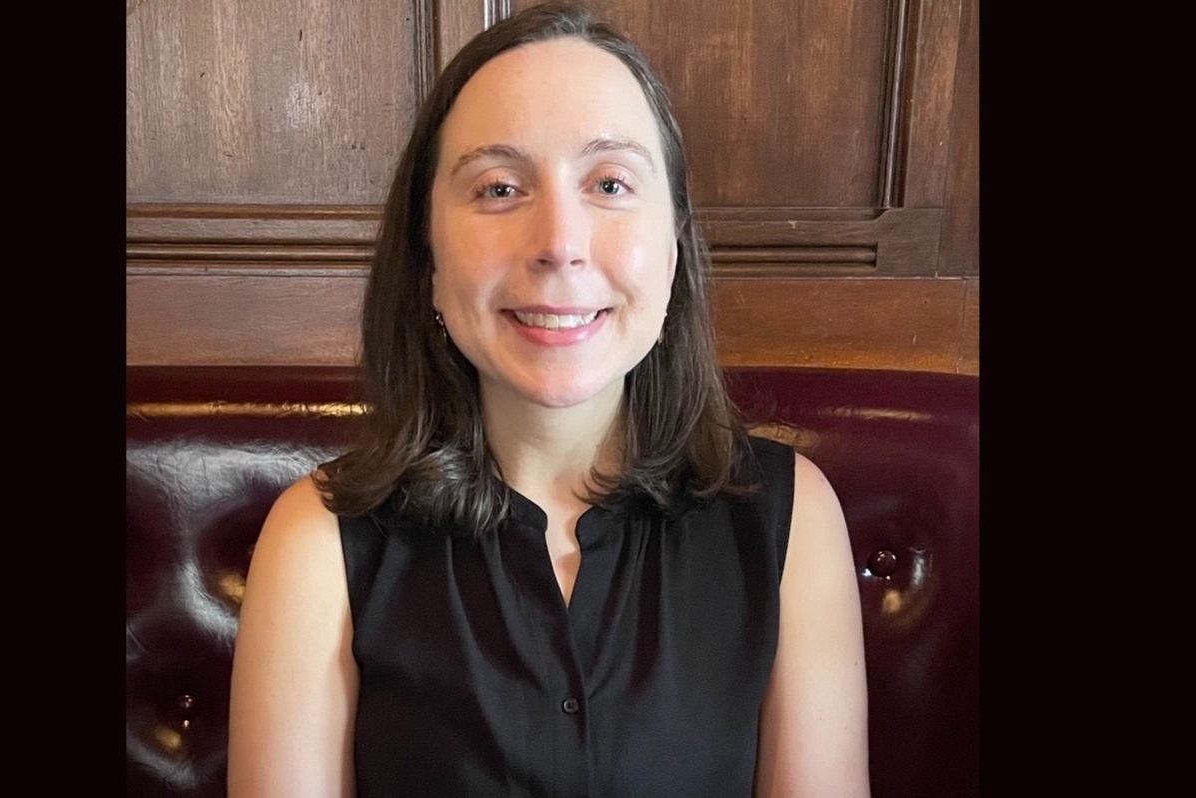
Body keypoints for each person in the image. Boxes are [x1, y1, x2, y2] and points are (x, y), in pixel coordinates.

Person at [227, 2, 869, 796]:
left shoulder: (789, 519)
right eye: (499, 188)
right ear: (428, 258)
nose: (559, 243)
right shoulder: (318, 541)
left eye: (610, 183)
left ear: (674, 248)